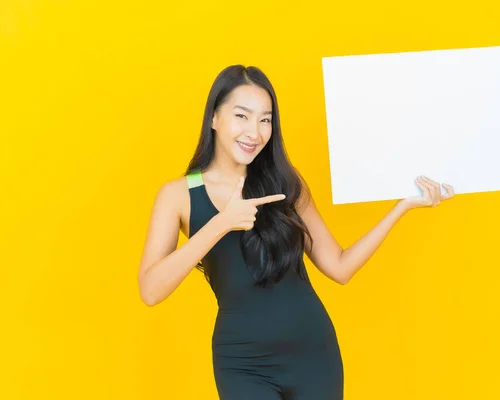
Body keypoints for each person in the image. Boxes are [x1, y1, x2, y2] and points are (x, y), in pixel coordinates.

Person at [137, 64, 454, 400]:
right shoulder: (178, 195)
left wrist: (402, 206)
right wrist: (222, 222)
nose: (254, 131)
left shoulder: (286, 182)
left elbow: (341, 267)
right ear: (214, 118)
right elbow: (151, 291)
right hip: (242, 363)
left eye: (265, 119)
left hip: (313, 354)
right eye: (241, 116)